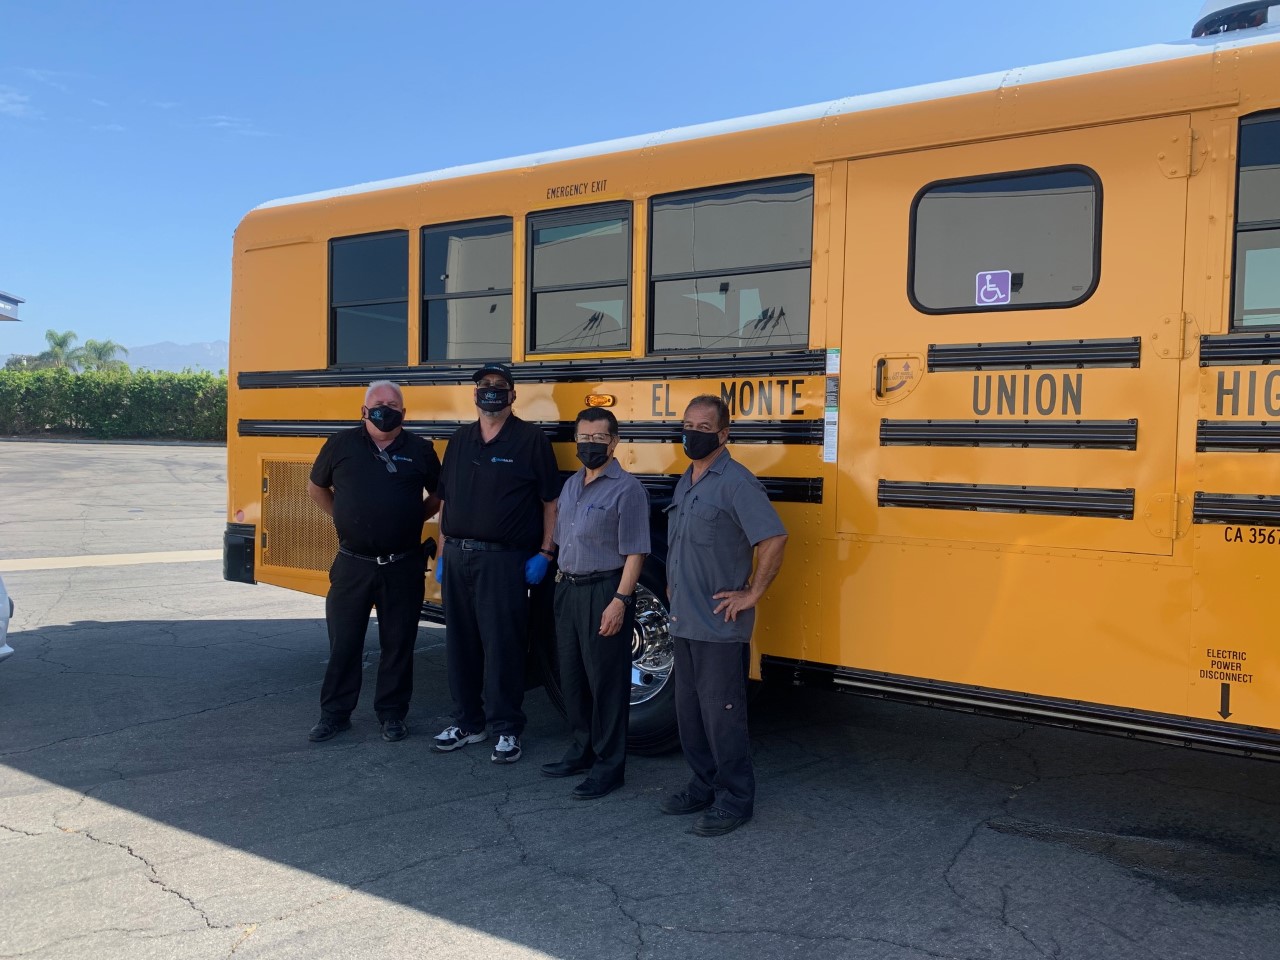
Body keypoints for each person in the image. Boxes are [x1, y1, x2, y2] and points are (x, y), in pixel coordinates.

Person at [658, 395, 787, 836]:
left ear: (723, 433)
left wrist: (753, 592)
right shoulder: (688, 480)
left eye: (703, 426)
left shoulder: (736, 482)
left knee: (722, 716)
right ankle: (703, 784)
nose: (692, 433)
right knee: (689, 714)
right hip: (685, 621)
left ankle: (735, 799)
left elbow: (772, 538)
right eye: (687, 424)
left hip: (718, 625)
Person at [433, 362, 561, 764]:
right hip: (457, 556)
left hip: (504, 561)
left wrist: (545, 552)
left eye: (499, 386)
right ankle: (468, 723)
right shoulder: (459, 440)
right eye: (484, 385)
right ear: (474, 395)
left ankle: (506, 728)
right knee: (461, 645)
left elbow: (550, 502)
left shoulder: (530, 440)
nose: (491, 391)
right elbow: (445, 502)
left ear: (512, 395)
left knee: (503, 646)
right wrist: (441, 555)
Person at [306, 380, 441, 743]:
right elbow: (316, 487)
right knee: (344, 643)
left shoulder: (420, 449)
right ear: (363, 411)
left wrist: (414, 516)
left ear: (404, 412)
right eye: (379, 403)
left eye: (393, 403)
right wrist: (340, 516)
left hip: (402, 564)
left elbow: (439, 494)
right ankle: (334, 714)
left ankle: (392, 714)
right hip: (353, 563)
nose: (387, 408)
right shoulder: (340, 445)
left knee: (398, 645)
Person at [541, 408, 650, 799]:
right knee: (572, 676)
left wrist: (620, 601)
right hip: (567, 589)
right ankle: (581, 749)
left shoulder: (628, 490)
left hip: (603, 592)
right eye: (583, 437)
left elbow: (636, 553)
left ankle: (609, 766)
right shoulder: (571, 485)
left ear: (614, 441)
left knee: (606, 682)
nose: (589, 445)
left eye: (598, 438)